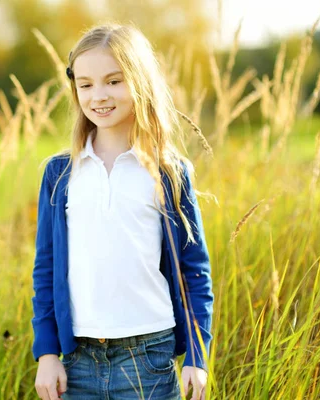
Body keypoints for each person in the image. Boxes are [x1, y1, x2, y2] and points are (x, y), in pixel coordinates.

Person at [31, 23, 214, 400]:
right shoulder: (60, 173)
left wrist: (197, 356)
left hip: (148, 356)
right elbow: (45, 270)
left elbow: (193, 270)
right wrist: (47, 353)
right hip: (77, 359)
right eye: (85, 84)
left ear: (140, 82)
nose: (98, 95)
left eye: (114, 81)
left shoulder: (167, 172)